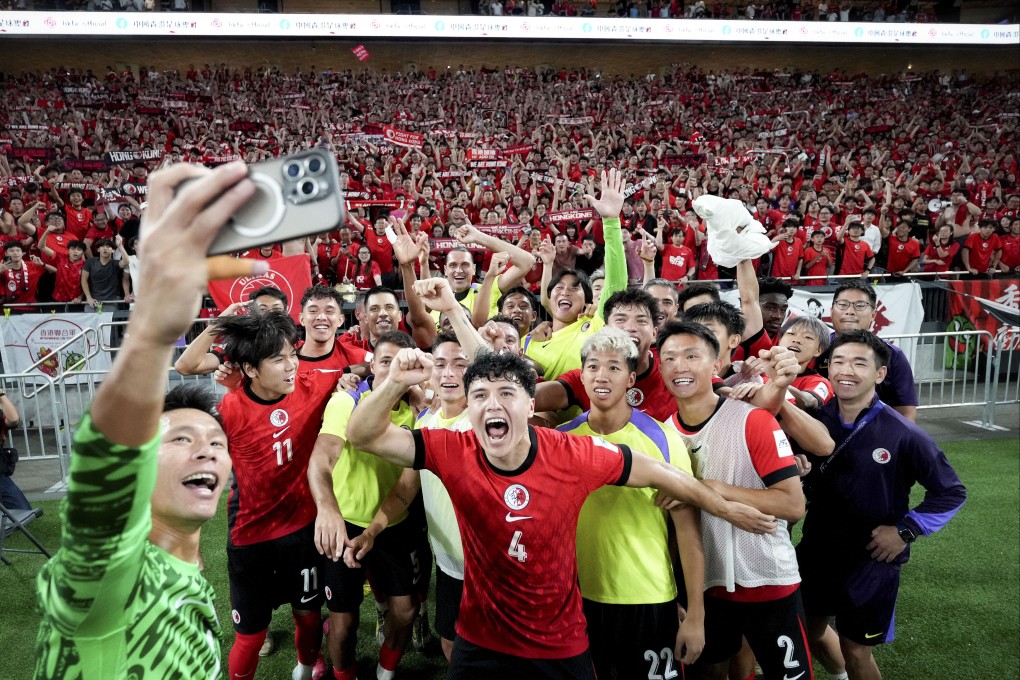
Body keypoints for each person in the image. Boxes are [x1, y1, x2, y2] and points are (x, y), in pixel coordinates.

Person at [345, 350, 777, 678]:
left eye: (506, 394)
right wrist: (395, 383)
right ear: (470, 410)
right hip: (480, 638)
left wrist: (722, 506)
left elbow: (659, 472)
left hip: (558, 642)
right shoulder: (450, 448)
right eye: (480, 396)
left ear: (530, 406)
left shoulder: (573, 454)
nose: (492, 405)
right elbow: (363, 434)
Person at [33, 160, 248, 678]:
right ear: (138, 464)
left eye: (217, 442)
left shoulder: (191, 573)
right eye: (181, 437)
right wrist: (151, 334)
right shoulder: (111, 576)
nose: (208, 450)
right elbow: (101, 498)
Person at [798, 330, 966, 680]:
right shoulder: (814, 422)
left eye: (860, 363)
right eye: (839, 361)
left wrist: (906, 531)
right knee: (808, 632)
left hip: (872, 559)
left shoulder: (903, 432)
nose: (847, 370)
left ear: (880, 374)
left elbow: (951, 491)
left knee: (857, 651)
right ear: (828, 368)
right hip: (817, 548)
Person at [657, 320, 814, 680]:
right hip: (705, 585)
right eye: (669, 358)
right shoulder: (662, 433)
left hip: (767, 579)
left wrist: (709, 487)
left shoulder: (753, 420)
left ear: (716, 365)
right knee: (713, 669)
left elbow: (793, 506)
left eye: (691, 355)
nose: (679, 366)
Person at [558, 327, 706, 678]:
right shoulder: (561, 440)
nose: (601, 376)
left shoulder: (662, 438)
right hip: (577, 600)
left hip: (648, 596)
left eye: (613, 367)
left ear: (631, 378)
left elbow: (687, 531)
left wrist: (696, 613)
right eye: (592, 367)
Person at [214, 310, 339, 680]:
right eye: (278, 359)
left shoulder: (312, 384)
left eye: (293, 355)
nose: (291, 367)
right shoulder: (229, 410)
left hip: (302, 531)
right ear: (250, 369)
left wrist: (353, 380)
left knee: (310, 616)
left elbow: (363, 371)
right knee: (250, 638)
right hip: (250, 538)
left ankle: (303, 670)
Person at [307, 331, 422, 680]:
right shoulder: (346, 402)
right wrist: (327, 509)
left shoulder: (420, 414)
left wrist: (374, 530)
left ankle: (385, 674)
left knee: (405, 610)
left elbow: (405, 486)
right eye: (386, 362)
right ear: (372, 365)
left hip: (392, 524)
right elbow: (322, 458)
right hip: (343, 522)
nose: (393, 370)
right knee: (343, 620)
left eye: (402, 364)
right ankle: (346, 676)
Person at [816, 281, 919, 421]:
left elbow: (906, 412)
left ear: (873, 314)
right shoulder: (816, 349)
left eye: (860, 305)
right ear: (832, 310)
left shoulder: (893, 355)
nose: (850, 311)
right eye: (842, 304)